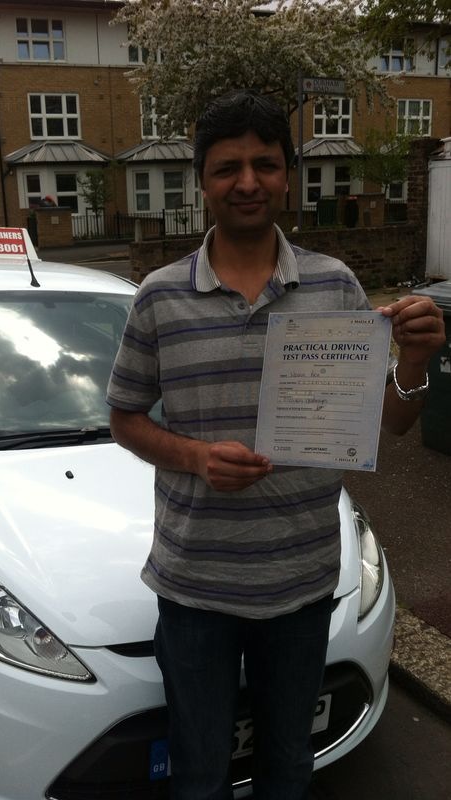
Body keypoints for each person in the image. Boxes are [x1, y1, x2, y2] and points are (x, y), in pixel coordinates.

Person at [106, 90, 444, 800]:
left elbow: (389, 425)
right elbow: (124, 418)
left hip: (300, 584)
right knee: (198, 774)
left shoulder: (335, 286)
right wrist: (197, 458)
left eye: (264, 164)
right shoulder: (159, 297)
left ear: (287, 175)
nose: (247, 181)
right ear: (201, 181)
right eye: (227, 167)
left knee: (289, 767)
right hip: (194, 587)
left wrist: (413, 362)